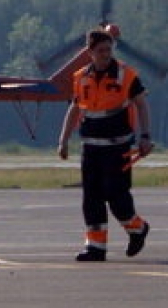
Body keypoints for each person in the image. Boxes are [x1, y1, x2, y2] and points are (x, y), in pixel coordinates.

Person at [57, 27, 153, 262]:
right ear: (89, 52)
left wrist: (145, 136)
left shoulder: (126, 75)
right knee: (91, 199)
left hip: (117, 148)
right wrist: (64, 140)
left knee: (116, 196)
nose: (105, 54)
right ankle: (96, 247)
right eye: (100, 50)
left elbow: (141, 104)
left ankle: (137, 228)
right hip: (90, 148)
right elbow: (75, 108)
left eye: (108, 50)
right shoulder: (81, 77)